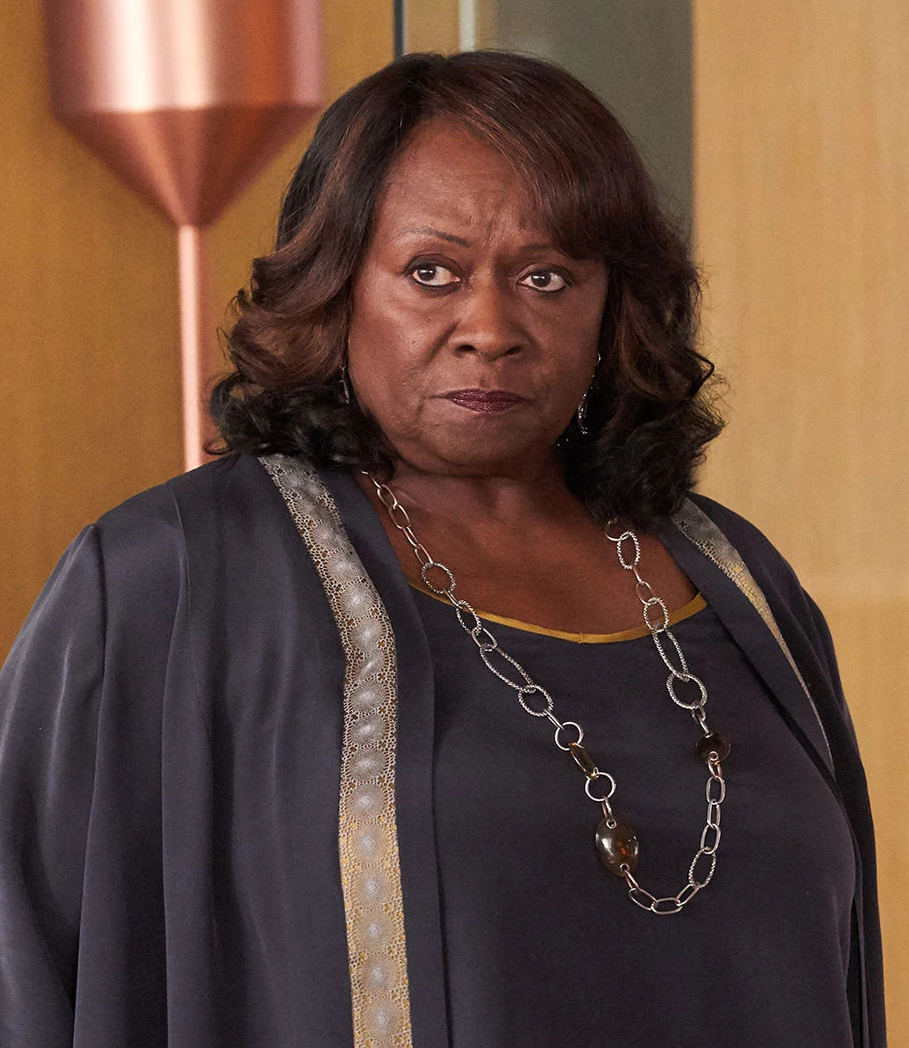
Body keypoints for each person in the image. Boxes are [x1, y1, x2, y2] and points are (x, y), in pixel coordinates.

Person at [0, 50, 884, 1047]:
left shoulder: (741, 581)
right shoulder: (171, 580)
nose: (491, 328)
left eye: (547, 277)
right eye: (432, 273)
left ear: (611, 305)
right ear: (336, 287)